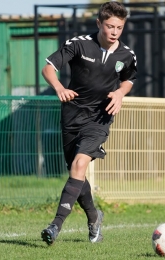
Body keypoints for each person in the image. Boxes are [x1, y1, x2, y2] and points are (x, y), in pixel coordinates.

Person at [41, 1, 137, 245]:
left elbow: (128, 80)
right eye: (110, 26)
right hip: (72, 116)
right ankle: (94, 217)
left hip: (99, 117)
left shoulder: (126, 54)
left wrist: (119, 94)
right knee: (76, 172)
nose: (114, 31)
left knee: (80, 162)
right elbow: (48, 69)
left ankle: (55, 226)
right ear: (99, 23)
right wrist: (60, 88)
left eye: (119, 27)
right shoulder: (79, 44)